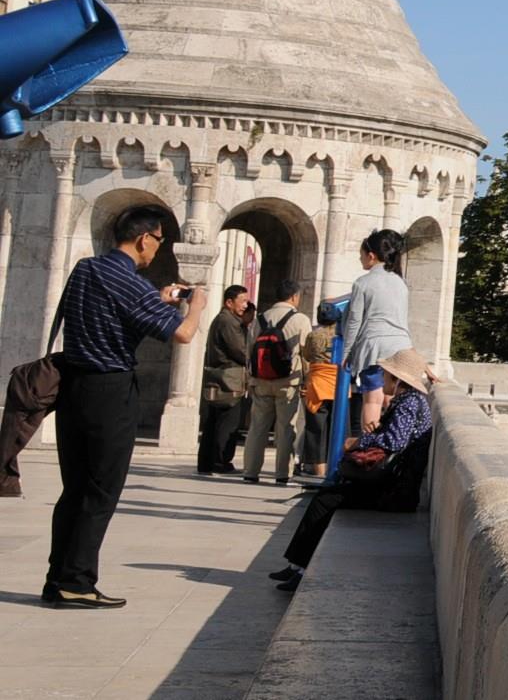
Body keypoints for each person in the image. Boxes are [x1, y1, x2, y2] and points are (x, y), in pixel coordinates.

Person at [45, 204, 207, 609]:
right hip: (110, 392)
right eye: (159, 241)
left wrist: (158, 300)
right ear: (143, 239)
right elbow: (184, 335)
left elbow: (112, 312)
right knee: (101, 491)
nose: (158, 249)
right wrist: (198, 302)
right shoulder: (132, 285)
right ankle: (78, 582)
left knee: (75, 489)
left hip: (73, 388)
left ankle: (58, 577)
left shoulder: (87, 270)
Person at [268, 346, 435, 591]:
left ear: (397, 380)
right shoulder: (410, 400)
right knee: (326, 497)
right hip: (394, 483)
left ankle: (300, 569)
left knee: (325, 500)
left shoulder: (409, 402)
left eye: (386, 375)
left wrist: (359, 441)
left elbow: (395, 441)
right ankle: (296, 566)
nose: (383, 379)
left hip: (394, 490)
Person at [242, 278, 312, 486]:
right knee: (286, 428)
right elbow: (307, 353)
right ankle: (282, 473)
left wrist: (250, 379)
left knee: (257, 427)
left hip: (261, 380)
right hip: (288, 382)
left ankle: (250, 471)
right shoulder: (300, 320)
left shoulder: (259, 319)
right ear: (294, 296)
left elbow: (249, 351)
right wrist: (306, 379)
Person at [341, 229, 411, 433]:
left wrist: (346, 354)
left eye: (361, 254)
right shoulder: (401, 283)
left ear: (371, 256)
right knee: (390, 398)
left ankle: (370, 450)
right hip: (400, 348)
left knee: (372, 400)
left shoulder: (363, 283)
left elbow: (354, 322)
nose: (359, 258)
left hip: (374, 348)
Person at [196, 284, 250, 474]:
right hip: (229, 379)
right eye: (242, 301)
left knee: (213, 422)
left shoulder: (223, 319)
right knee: (228, 422)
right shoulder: (228, 321)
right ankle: (220, 461)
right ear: (229, 302)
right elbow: (240, 351)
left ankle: (207, 462)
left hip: (220, 377)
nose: (245, 305)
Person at [297, 305, 338, 480]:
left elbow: (306, 355)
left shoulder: (313, 335)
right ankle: (333, 466)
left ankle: (318, 469)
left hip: (317, 384)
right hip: (338, 385)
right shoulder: (341, 336)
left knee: (316, 428)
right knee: (335, 428)